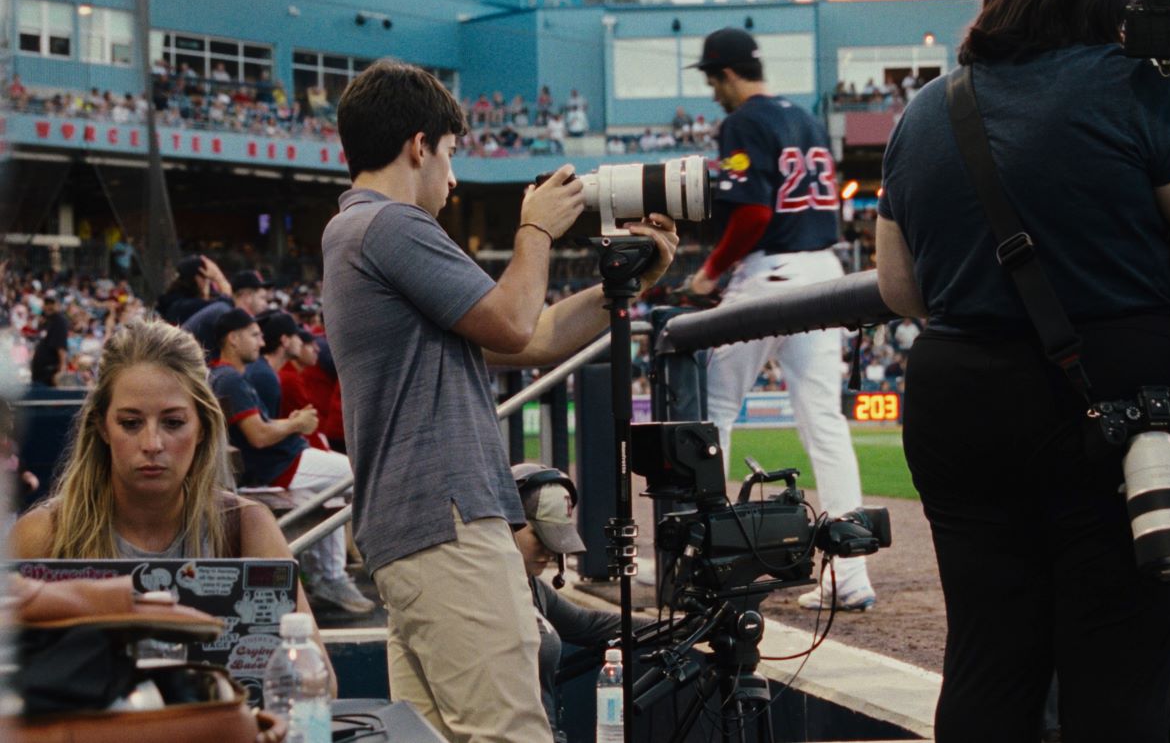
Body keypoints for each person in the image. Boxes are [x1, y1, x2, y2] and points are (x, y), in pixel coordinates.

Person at [874, 0, 1170, 743]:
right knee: (1119, 666)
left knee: (989, 660)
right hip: (1119, 405)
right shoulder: (1136, 88)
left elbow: (899, 288)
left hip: (958, 397)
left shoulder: (925, 110)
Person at [321, 59, 678, 742]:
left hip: (411, 527)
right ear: (418, 145)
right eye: (451, 155)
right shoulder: (389, 225)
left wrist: (625, 285)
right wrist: (536, 229)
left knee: (438, 736)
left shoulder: (356, 234)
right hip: (446, 518)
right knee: (510, 731)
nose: (454, 182)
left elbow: (534, 335)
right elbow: (517, 320)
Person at [8, 318, 336, 694]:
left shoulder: (246, 527)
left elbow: (320, 685)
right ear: (101, 426)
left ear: (202, 427)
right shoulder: (42, 534)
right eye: (130, 423)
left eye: (174, 422)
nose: (152, 443)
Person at [683, 27, 874, 613]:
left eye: (714, 78)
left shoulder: (743, 121)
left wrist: (709, 273)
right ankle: (851, 572)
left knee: (709, 412)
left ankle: (706, 562)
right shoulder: (808, 121)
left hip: (771, 275)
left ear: (727, 74)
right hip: (824, 271)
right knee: (823, 420)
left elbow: (754, 215)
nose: (714, 90)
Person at [207, 308, 374, 615]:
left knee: (328, 492)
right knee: (358, 473)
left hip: (280, 461)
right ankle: (330, 576)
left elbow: (261, 428)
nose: (261, 342)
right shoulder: (230, 378)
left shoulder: (228, 375)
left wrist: (291, 422)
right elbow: (258, 436)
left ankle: (328, 575)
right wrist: (297, 424)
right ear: (233, 339)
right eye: (254, 335)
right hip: (280, 466)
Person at [511, 464, 621, 743]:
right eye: (539, 536)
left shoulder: (533, 588)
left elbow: (590, 625)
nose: (550, 550)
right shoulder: (483, 592)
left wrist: (681, 626)